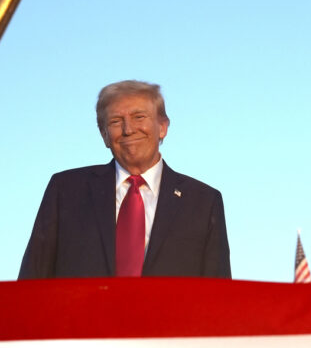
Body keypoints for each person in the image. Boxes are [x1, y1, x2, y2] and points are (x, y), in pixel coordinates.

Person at [19, 80, 231, 279]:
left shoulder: (203, 202)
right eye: (115, 121)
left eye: (139, 117)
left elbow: (218, 295)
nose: (128, 130)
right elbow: (32, 279)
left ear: (163, 127)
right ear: (104, 135)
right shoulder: (65, 191)